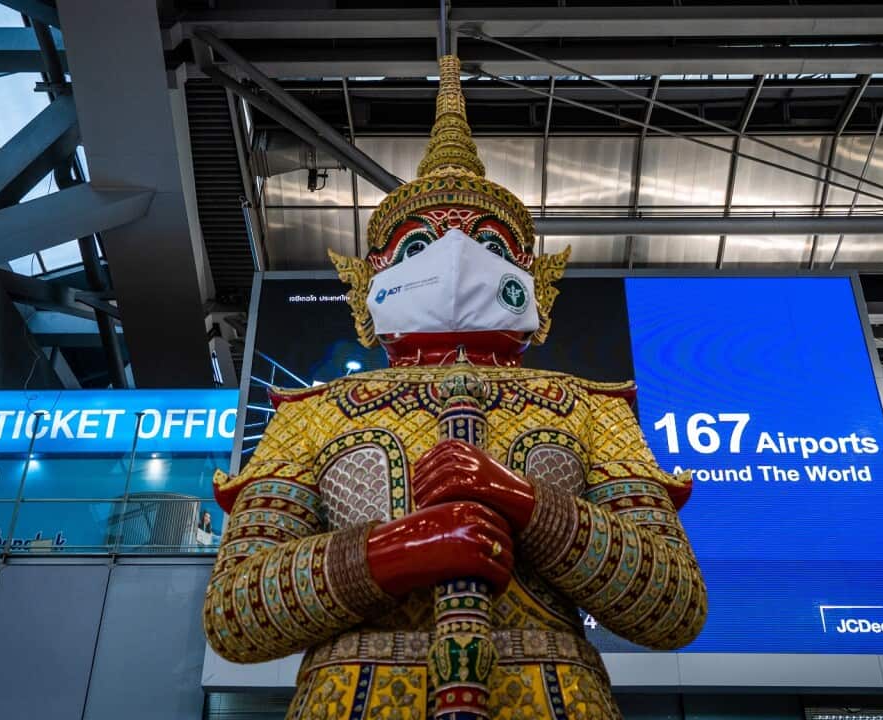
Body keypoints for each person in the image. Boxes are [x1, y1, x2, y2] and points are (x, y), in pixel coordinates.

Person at [204, 55, 706, 719]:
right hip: (351, 697)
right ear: (369, 283)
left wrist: (529, 506)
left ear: (534, 282)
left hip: (551, 696)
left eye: (491, 247)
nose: (457, 261)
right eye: (418, 248)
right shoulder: (313, 415)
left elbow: (673, 604)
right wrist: (392, 553)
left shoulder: (588, 408)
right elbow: (235, 612)